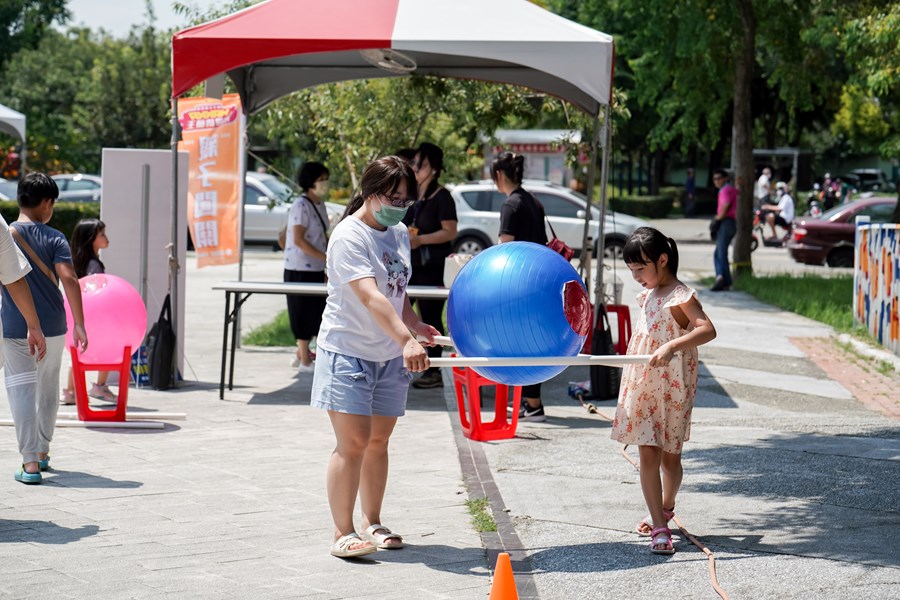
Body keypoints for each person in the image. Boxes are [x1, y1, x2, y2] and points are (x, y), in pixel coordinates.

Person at [312, 156, 440, 559]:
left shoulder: (399, 232)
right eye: (393, 196)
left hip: (388, 354)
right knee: (353, 442)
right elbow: (370, 295)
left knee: (379, 441)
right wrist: (406, 340)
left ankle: (373, 520)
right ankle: (342, 531)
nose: (400, 205)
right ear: (369, 192)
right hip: (348, 351)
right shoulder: (349, 235)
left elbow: (396, 294)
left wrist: (415, 327)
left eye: (406, 199)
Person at [611, 226, 717, 555]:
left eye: (641, 268)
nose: (637, 276)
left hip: (672, 388)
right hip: (644, 385)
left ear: (662, 260)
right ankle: (659, 525)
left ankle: (666, 506)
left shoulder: (680, 296)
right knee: (647, 453)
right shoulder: (648, 295)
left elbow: (707, 330)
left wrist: (673, 345)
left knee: (671, 460)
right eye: (632, 270)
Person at [3, 173, 87, 485]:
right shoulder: (55, 238)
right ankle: (43, 452)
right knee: (48, 389)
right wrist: (79, 323)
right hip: (52, 327)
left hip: (15, 327)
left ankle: (29, 464)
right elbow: (69, 279)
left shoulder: (5, 235)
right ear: (48, 203)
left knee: (22, 390)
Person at [492, 151, 548, 422]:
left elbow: (505, 248)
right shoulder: (533, 202)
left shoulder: (510, 205)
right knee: (532, 341)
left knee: (515, 342)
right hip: (539, 281)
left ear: (499, 175)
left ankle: (529, 404)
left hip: (517, 284)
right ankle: (532, 403)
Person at [404, 142, 457, 389]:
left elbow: (450, 231)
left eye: (420, 164)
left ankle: (434, 370)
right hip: (411, 267)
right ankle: (405, 361)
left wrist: (420, 239)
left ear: (433, 168)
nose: (415, 168)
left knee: (431, 316)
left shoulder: (442, 196)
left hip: (432, 266)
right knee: (402, 312)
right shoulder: (415, 195)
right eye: (414, 163)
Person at [284, 162, 330, 372]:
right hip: (299, 268)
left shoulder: (319, 204)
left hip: (316, 268)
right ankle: (304, 360)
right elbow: (299, 240)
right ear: (310, 181)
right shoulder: (300, 205)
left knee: (315, 312)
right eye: (321, 180)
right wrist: (326, 257)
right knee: (300, 313)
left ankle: (300, 354)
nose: (325, 184)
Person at [61, 219, 113, 403]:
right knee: (108, 349)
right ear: (91, 239)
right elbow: (96, 291)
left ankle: (70, 392)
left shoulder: (77, 262)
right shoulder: (94, 265)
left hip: (79, 316)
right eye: (102, 235)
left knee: (77, 353)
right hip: (94, 317)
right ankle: (100, 386)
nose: (106, 238)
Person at [709, 169, 737, 292]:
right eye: (714, 179)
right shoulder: (731, 189)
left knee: (720, 253)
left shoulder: (725, 190)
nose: (716, 181)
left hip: (726, 222)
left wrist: (718, 218)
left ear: (726, 178)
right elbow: (739, 191)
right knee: (719, 253)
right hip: (731, 223)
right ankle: (724, 280)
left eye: (719, 178)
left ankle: (723, 279)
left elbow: (726, 205)